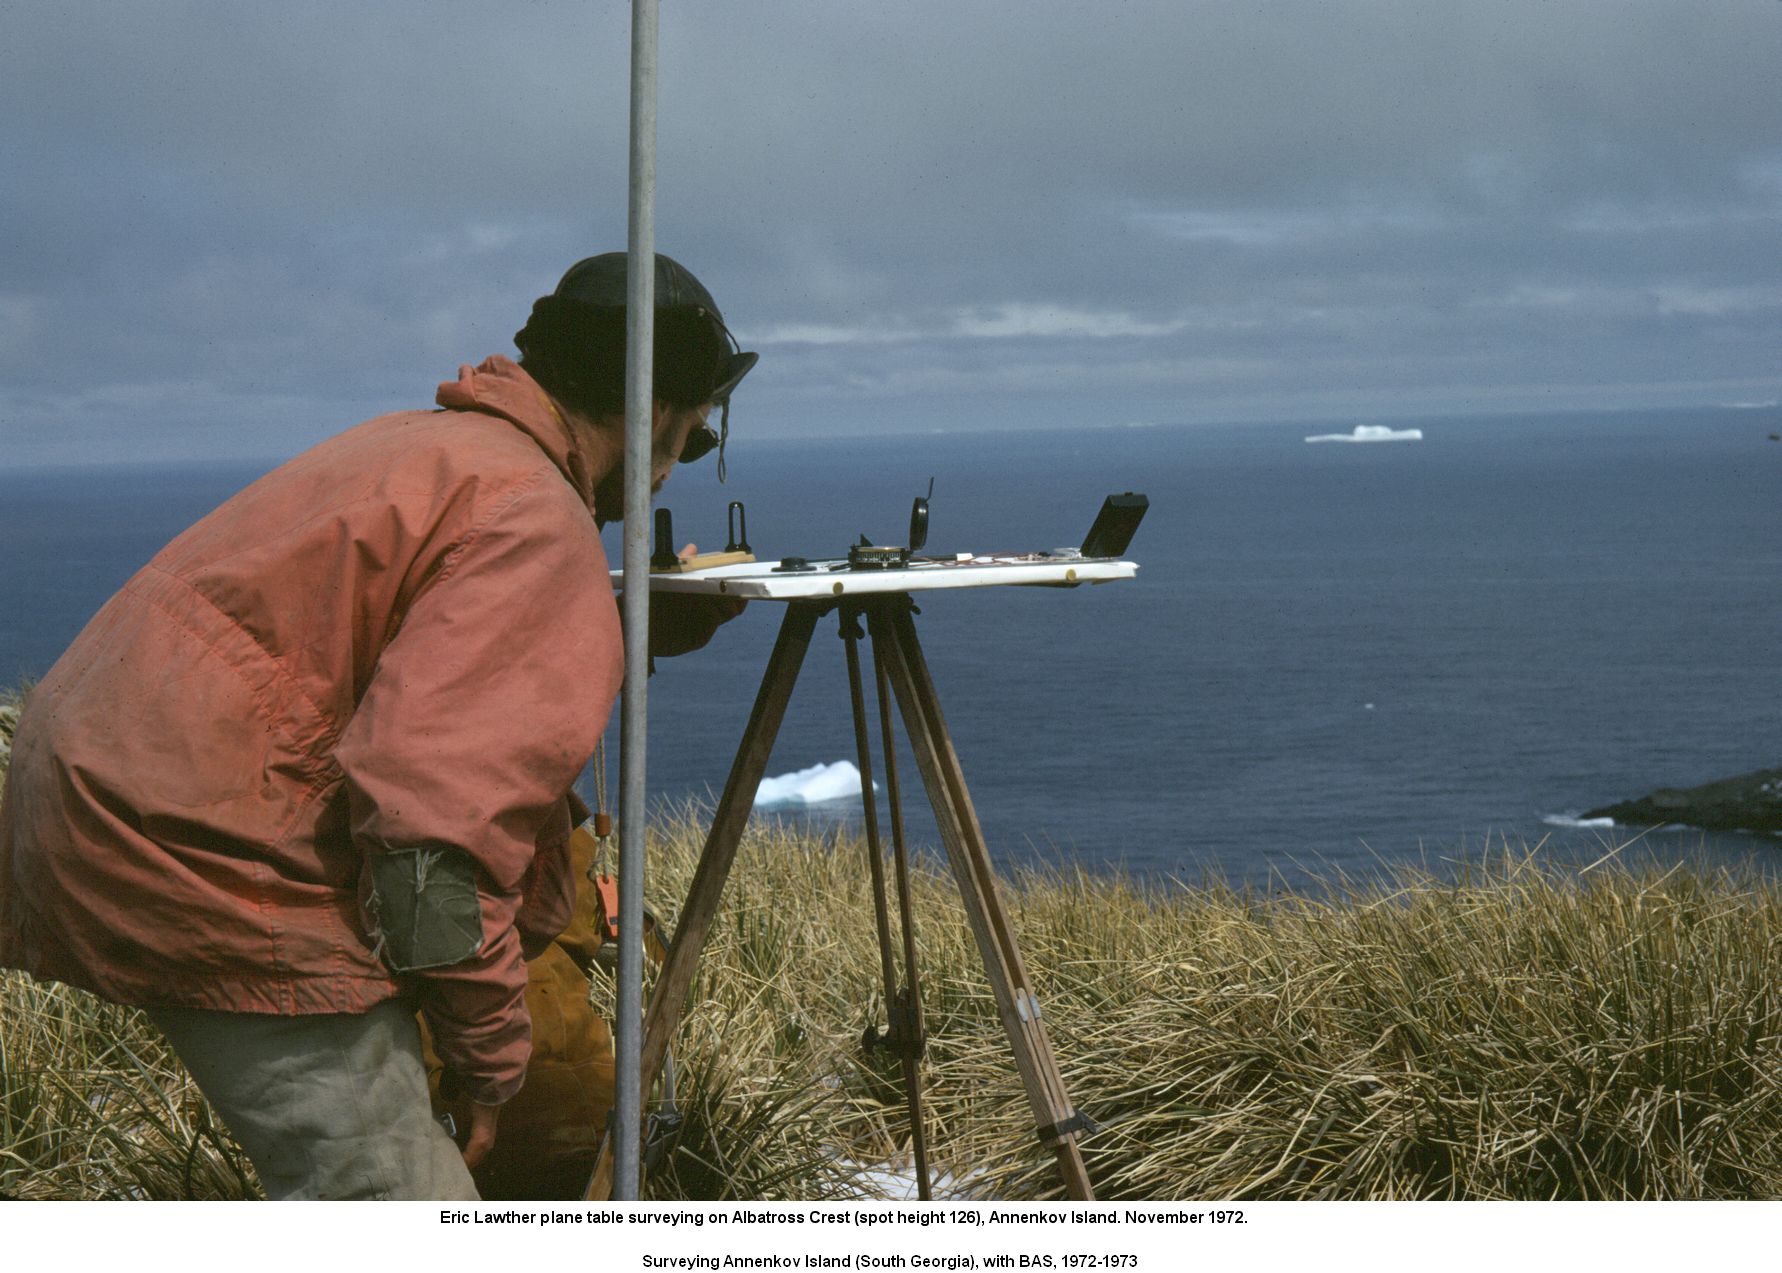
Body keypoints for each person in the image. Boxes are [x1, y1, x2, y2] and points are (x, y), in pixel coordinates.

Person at [0, 252, 754, 1199]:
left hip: (104, 781)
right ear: (653, 413)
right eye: (692, 434)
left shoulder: (431, 447)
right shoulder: (534, 517)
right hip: (200, 841)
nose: (673, 463)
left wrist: (605, 628)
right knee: (391, 1200)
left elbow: (381, 653)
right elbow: (431, 841)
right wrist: (489, 1056)